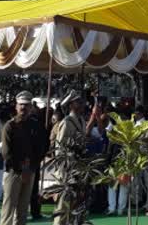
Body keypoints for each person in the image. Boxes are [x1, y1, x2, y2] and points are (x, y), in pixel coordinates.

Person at [0, 92, 46, 225]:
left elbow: (40, 149)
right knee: (8, 209)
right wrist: (22, 169)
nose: (23, 108)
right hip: (14, 172)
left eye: (26, 105)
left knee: (23, 210)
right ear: (16, 106)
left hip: (30, 171)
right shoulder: (10, 126)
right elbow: (6, 153)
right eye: (21, 105)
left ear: (31, 107)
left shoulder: (35, 125)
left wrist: (30, 168)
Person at [54, 90, 97, 225]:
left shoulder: (81, 121)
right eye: (78, 102)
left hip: (80, 170)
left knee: (77, 206)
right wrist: (65, 170)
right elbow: (59, 150)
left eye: (81, 101)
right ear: (71, 105)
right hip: (68, 170)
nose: (81, 104)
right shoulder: (67, 122)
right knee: (63, 206)